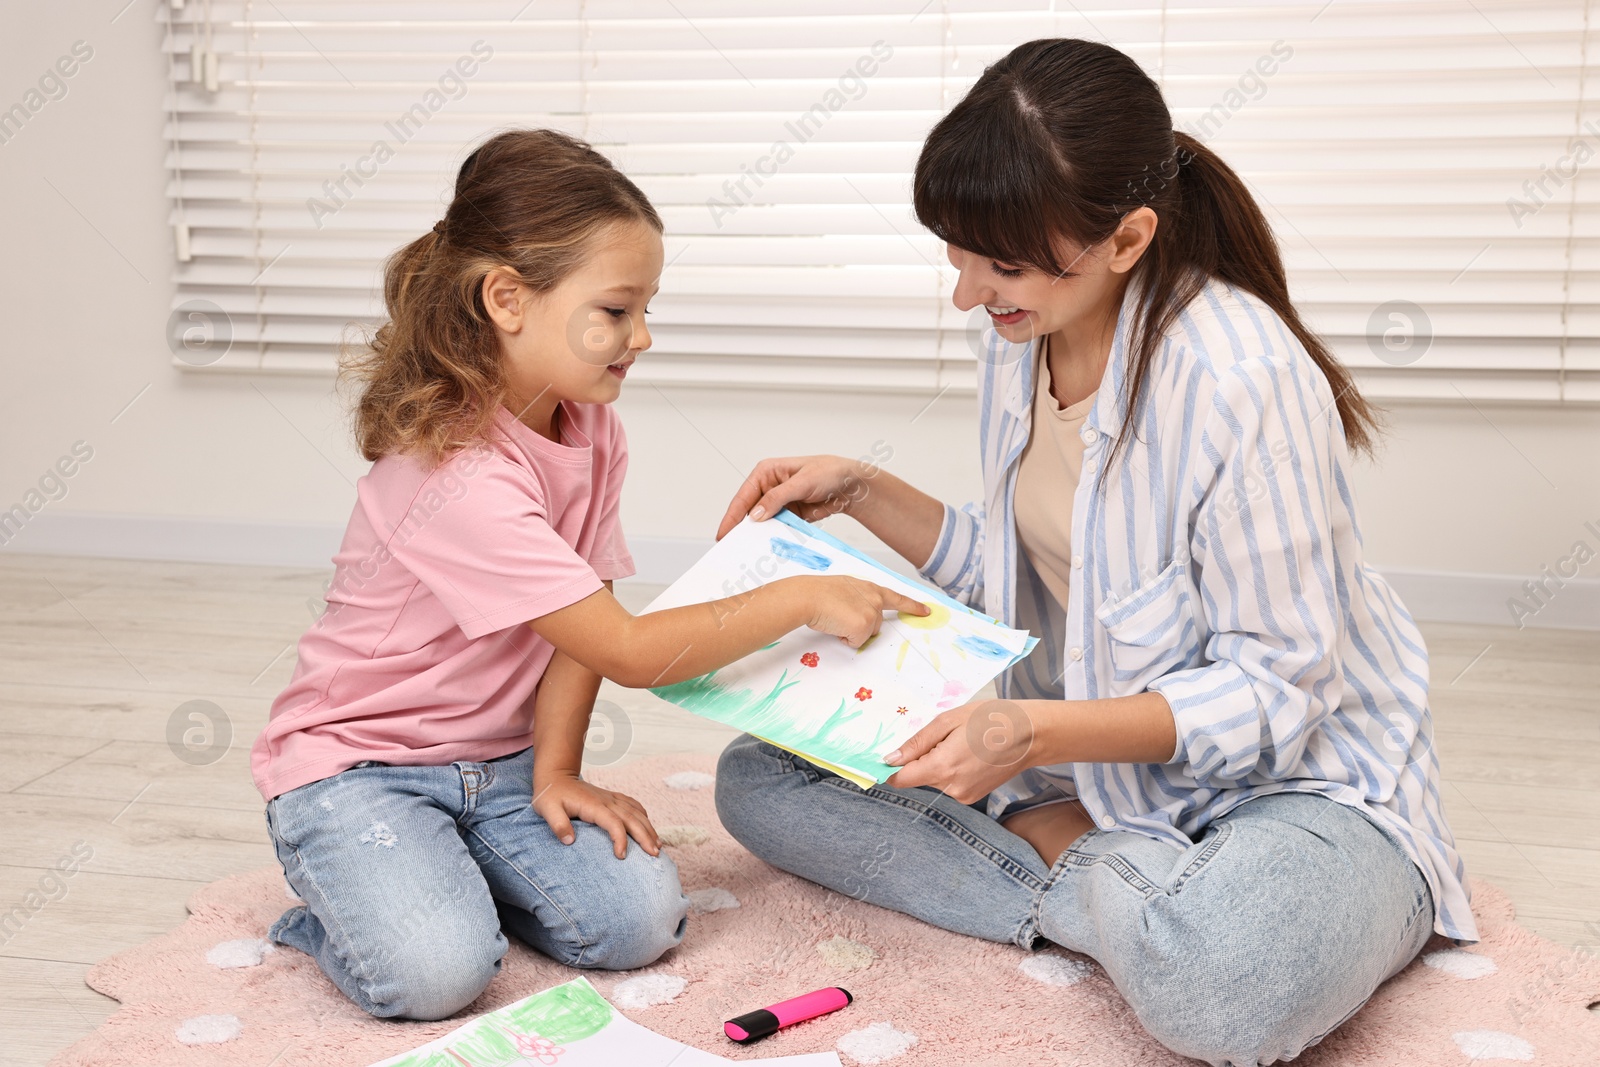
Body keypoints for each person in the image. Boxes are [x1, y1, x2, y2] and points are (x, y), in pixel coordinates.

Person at [712, 39, 1476, 1066]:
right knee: (761, 778)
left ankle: (1067, 857)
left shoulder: (1239, 377)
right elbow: (1044, 564)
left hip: (1298, 786)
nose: (969, 295)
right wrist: (860, 490)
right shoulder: (1022, 334)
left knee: (1229, 989)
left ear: (1127, 238)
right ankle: (1124, 882)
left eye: (1003, 265)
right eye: (958, 254)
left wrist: (1023, 735)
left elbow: (1275, 690)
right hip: (1081, 754)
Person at [250, 128, 928, 1022]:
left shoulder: (589, 426)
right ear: (506, 298)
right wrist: (799, 599)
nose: (641, 335)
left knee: (638, 925)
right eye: (617, 309)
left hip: (499, 759)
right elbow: (632, 649)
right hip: (360, 768)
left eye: (647, 307)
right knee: (437, 975)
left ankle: (442, 874)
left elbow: (589, 610)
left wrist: (557, 771)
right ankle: (335, 916)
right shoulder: (455, 472)